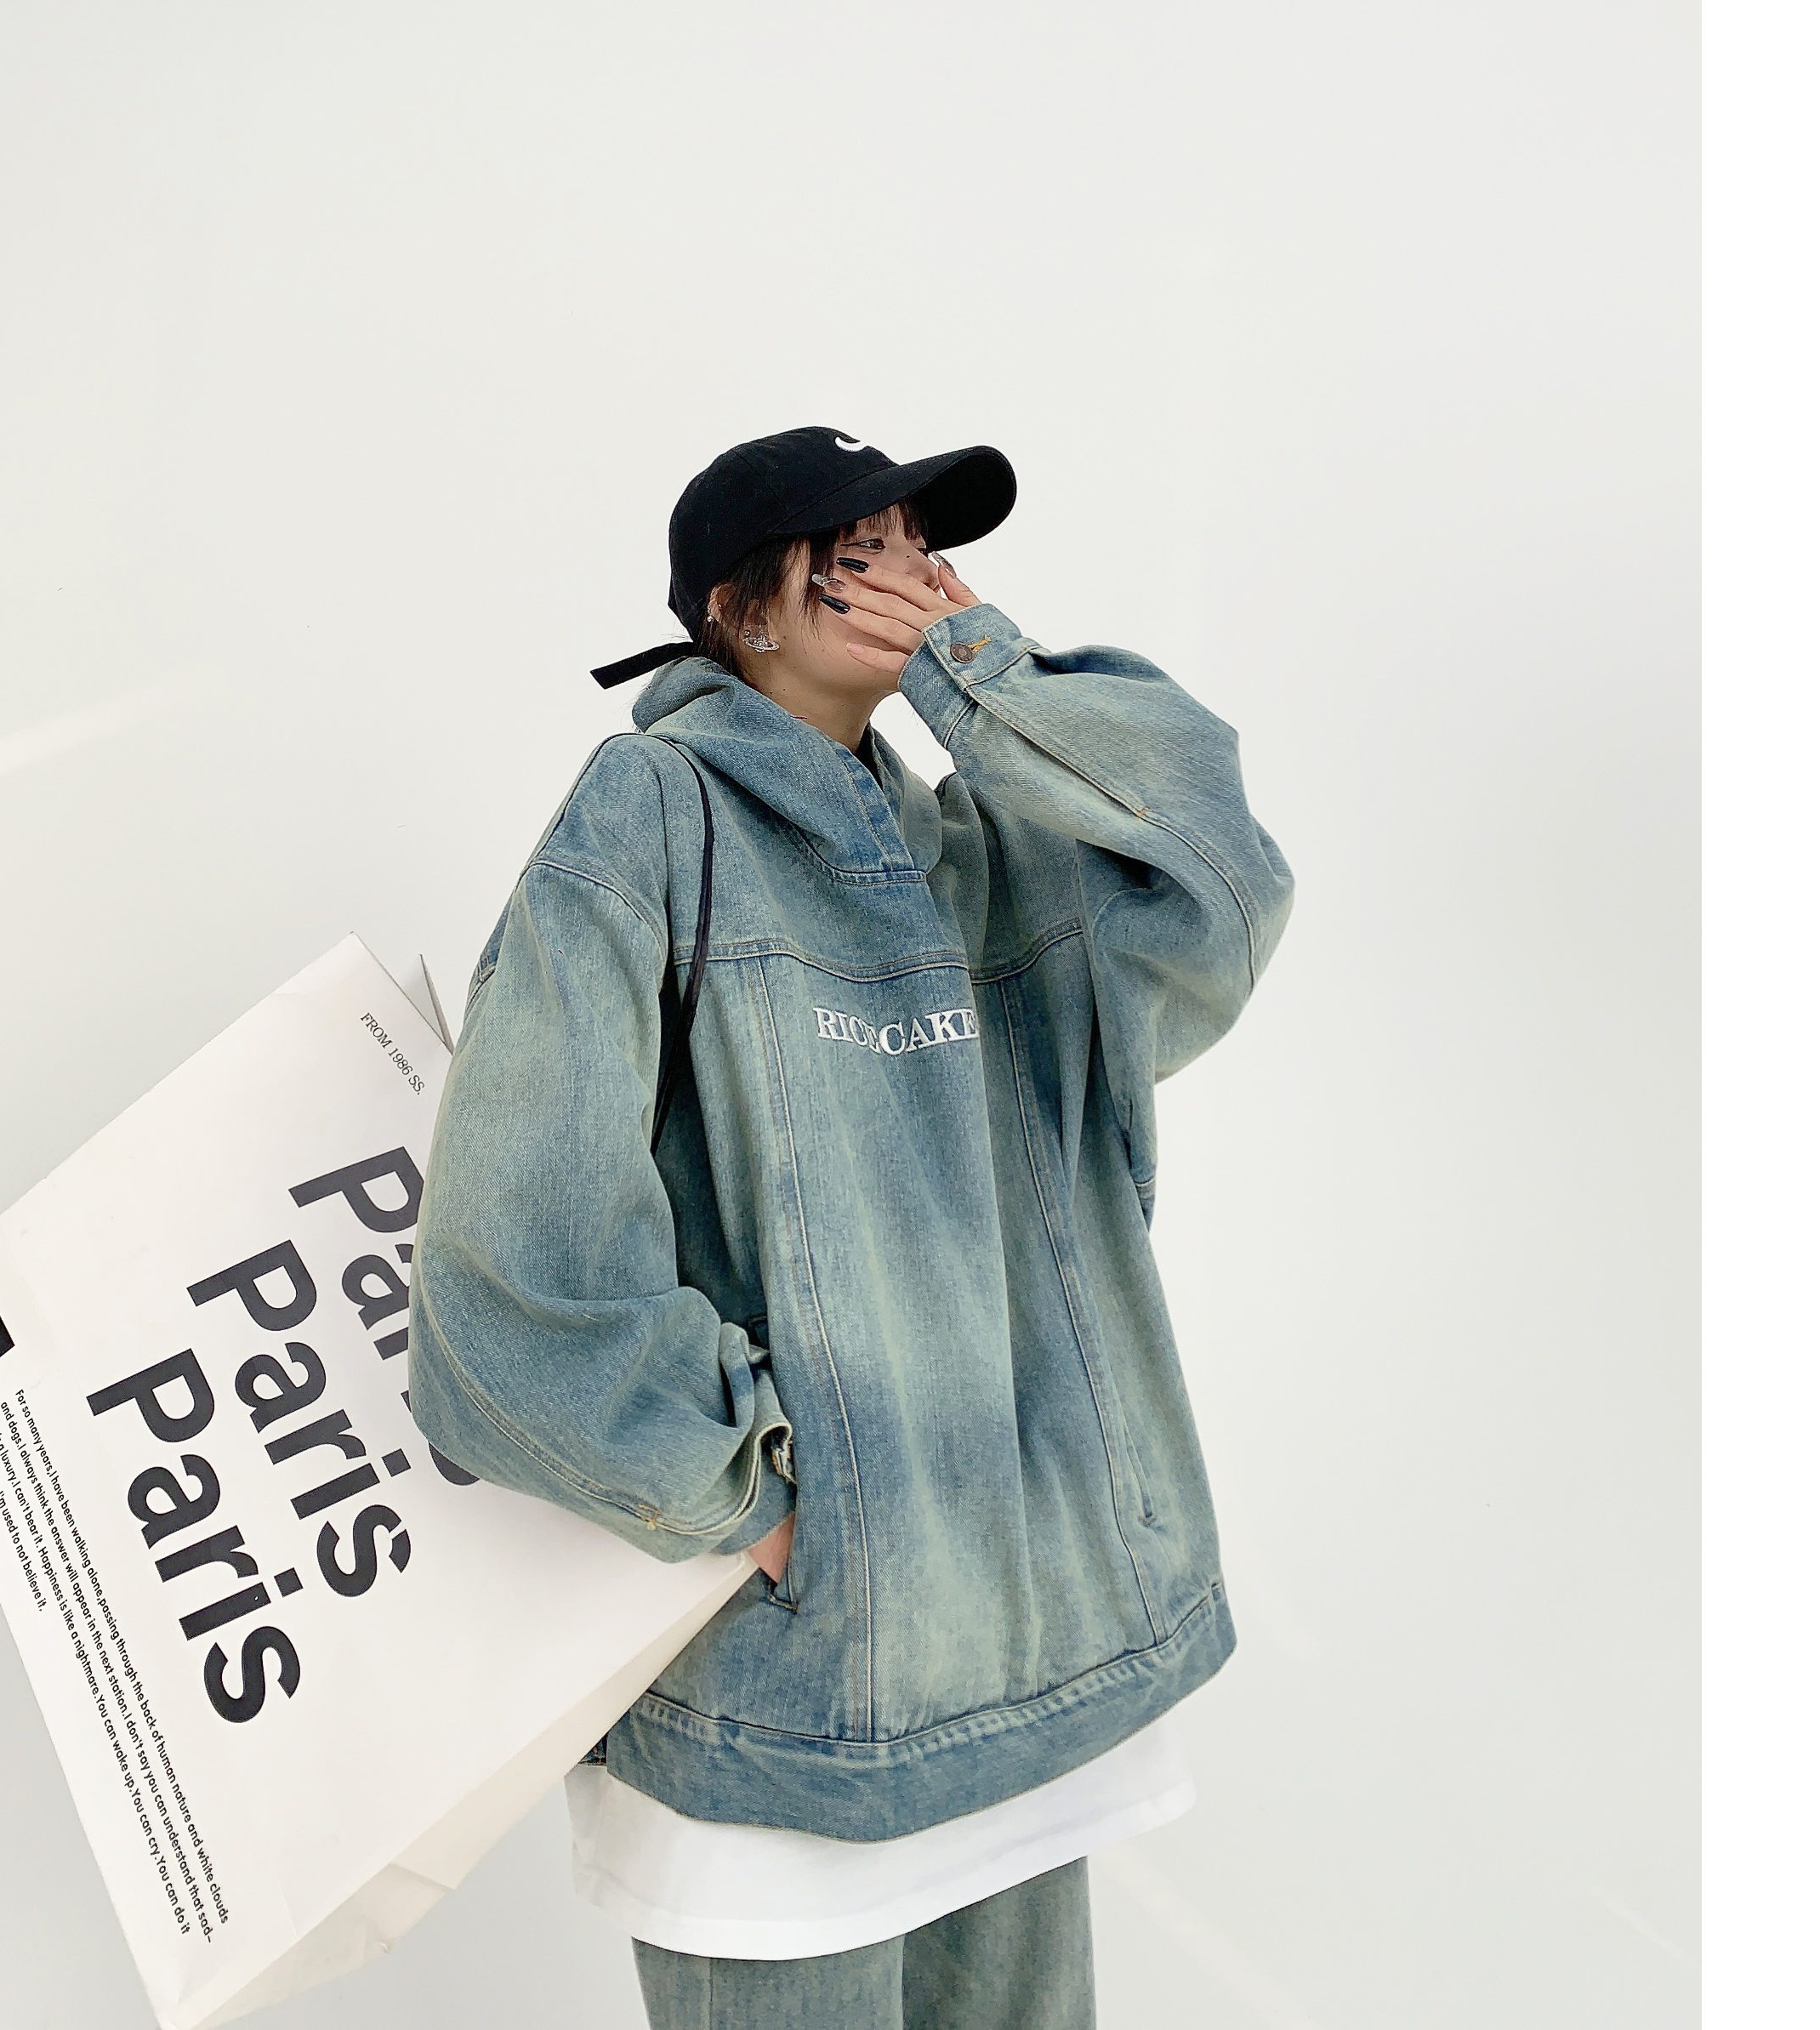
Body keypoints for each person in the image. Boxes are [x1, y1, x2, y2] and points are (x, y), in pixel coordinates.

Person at [407, 427, 1292, 2030]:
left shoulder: (991, 843)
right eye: (857, 553)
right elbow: (513, 1257)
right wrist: (742, 1495)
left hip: (1027, 1667)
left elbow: (1223, 881)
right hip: (787, 1711)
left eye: (922, 552)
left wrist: (989, 677)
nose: (911, 582)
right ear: (741, 607)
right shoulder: (648, 814)